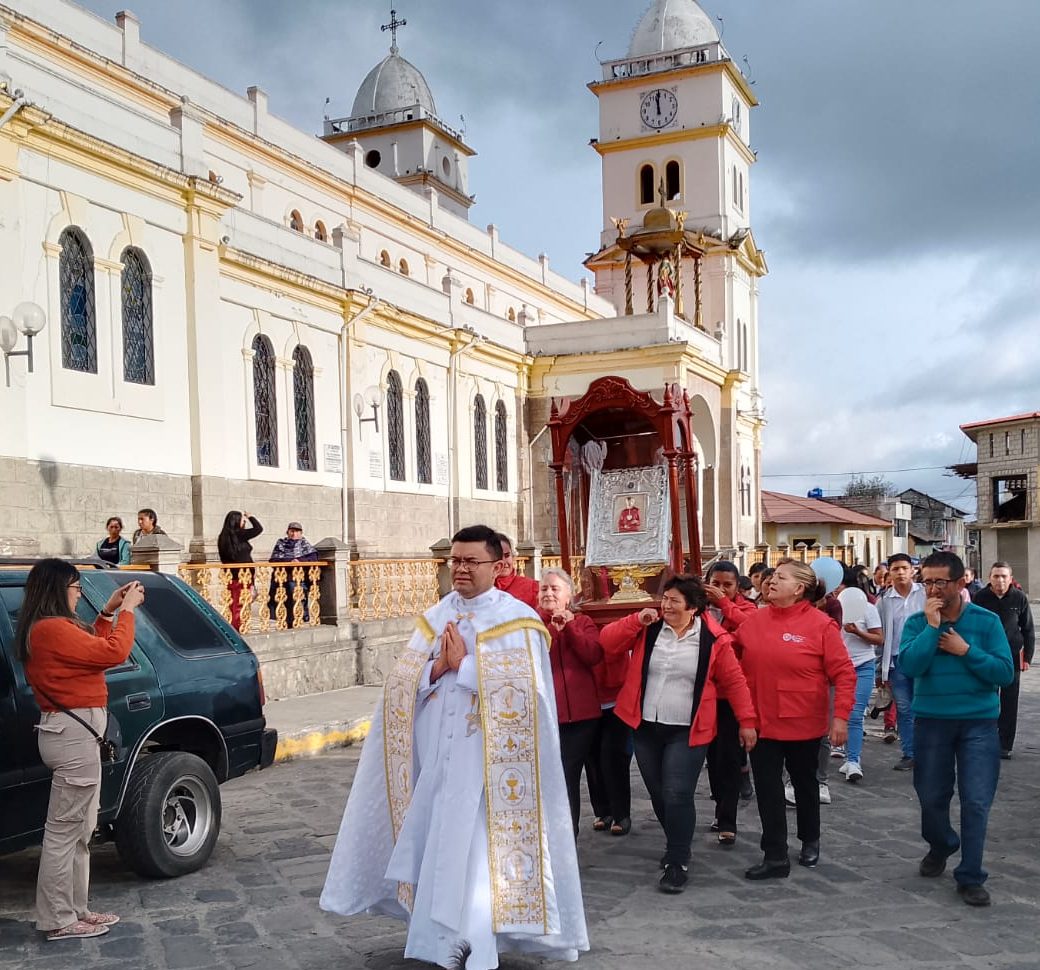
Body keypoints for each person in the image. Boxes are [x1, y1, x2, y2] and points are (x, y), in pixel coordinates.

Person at [320, 525, 588, 968]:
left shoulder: (517, 619)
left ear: (498, 565)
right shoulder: (436, 615)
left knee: (479, 860)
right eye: (455, 561)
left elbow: (529, 695)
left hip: (490, 770)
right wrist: (434, 669)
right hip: (438, 763)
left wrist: (464, 666)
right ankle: (432, 943)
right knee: (438, 849)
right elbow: (401, 686)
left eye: (471, 561)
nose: (460, 569)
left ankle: (476, 949)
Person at [600, 575, 756, 894]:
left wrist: (747, 720)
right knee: (658, 792)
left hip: (688, 727)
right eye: (665, 599)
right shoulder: (650, 628)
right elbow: (608, 642)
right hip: (646, 724)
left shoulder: (714, 639)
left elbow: (735, 681)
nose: (666, 606)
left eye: (674, 601)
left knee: (677, 792)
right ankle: (676, 841)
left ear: (694, 608)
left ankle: (677, 859)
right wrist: (634, 620)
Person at [15, 560, 144, 941]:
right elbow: (112, 652)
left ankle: (75, 908)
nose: (79, 594)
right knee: (64, 830)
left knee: (81, 828)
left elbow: (92, 647)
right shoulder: (50, 629)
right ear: (58, 589)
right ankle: (57, 918)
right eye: (75, 587)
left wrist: (107, 612)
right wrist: (127, 611)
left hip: (75, 734)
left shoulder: (52, 628)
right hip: (72, 736)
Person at [900, 551, 1014, 907]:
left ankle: (971, 876)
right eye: (927, 581)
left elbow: (1004, 673)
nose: (932, 588)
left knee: (976, 800)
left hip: (978, 724)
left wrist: (967, 651)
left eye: (940, 582)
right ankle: (942, 843)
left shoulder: (986, 622)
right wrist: (933, 630)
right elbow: (910, 666)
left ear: (961, 582)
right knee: (931, 795)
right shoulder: (919, 623)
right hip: (932, 722)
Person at [732, 559, 855, 879]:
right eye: (771, 576)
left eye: (781, 578)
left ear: (799, 588)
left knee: (805, 785)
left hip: (803, 722)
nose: (771, 581)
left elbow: (843, 674)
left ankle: (809, 839)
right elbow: (731, 659)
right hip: (761, 723)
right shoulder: (754, 622)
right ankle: (775, 855)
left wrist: (840, 717)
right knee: (769, 790)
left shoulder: (820, 625)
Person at [537, 568, 603, 836]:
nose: (549, 593)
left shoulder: (583, 621)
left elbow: (592, 655)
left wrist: (570, 626)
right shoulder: (532, 623)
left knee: (566, 776)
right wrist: (548, 623)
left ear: (568, 595)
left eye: (555, 588)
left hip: (580, 717)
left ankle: (567, 838)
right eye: (544, 588)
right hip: (544, 714)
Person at [703, 561, 757, 843]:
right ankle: (718, 805)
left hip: (732, 695)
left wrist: (724, 604)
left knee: (730, 757)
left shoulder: (746, 609)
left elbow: (749, 631)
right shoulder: (697, 607)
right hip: (703, 694)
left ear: (738, 588)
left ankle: (728, 819)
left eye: (727, 585)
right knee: (711, 757)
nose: (720, 589)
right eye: (716, 582)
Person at [971, 562, 1034, 759]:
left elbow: (1028, 629)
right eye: (996, 576)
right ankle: (983, 739)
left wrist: (1028, 658)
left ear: (1010, 578)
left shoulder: (1019, 597)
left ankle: (1005, 744)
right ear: (989, 578)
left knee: (1009, 701)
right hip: (986, 655)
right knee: (986, 699)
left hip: (1011, 656)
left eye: (1004, 576)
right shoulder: (980, 597)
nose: (1000, 580)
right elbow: (972, 626)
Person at [878, 552, 926, 771]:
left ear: (912, 570)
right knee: (905, 709)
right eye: (895, 569)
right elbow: (881, 636)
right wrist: (881, 669)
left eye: (903, 568)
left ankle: (928, 752)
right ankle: (910, 753)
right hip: (896, 661)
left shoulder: (925, 595)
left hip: (922, 659)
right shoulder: (884, 601)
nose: (900, 573)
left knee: (924, 707)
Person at [837, 568, 884, 783]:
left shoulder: (867, 609)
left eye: (840, 586)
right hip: (836, 668)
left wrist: (858, 632)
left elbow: (878, 639)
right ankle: (839, 751)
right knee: (835, 714)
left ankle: (853, 760)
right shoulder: (829, 609)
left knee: (855, 714)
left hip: (862, 666)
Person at [217, 511, 263, 631]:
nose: (244, 523)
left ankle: (237, 625)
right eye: (243, 520)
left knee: (235, 602)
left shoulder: (223, 536)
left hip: (233, 574)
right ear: (237, 521)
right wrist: (250, 516)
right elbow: (258, 529)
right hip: (242, 575)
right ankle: (237, 627)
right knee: (239, 603)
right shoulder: (239, 534)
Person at [269, 521, 318, 627]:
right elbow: (274, 559)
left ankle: (299, 618)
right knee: (281, 598)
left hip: (298, 578)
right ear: (287, 532)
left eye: (297, 531)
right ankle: (284, 620)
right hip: (282, 578)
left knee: (295, 595)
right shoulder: (281, 543)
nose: (294, 534)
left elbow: (313, 558)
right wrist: (290, 562)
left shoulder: (305, 544)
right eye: (292, 531)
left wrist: (299, 561)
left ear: (301, 533)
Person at [493, 533, 539, 609]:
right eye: (498, 556)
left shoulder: (532, 587)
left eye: (507, 556)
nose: (503, 562)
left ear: (513, 557)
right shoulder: (477, 589)